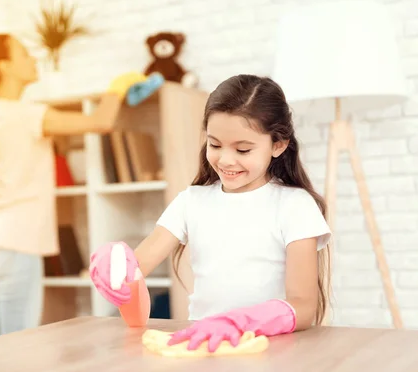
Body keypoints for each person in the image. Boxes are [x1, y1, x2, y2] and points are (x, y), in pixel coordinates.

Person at [89, 74, 332, 352]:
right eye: (215, 145)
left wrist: (239, 322)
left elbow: (302, 307)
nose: (226, 160)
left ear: (278, 145)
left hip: (268, 350)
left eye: (243, 149)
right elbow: (137, 266)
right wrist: (115, 267)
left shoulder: (294, 205)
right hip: (202, 347)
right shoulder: (191, 201)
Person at [0, 33, 128, 338]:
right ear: (4, 67)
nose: (33, 60)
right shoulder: (26, 114)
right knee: (18, 346)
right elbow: (101, 121)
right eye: (25, 54)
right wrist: (118, 87)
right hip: (16, 246)